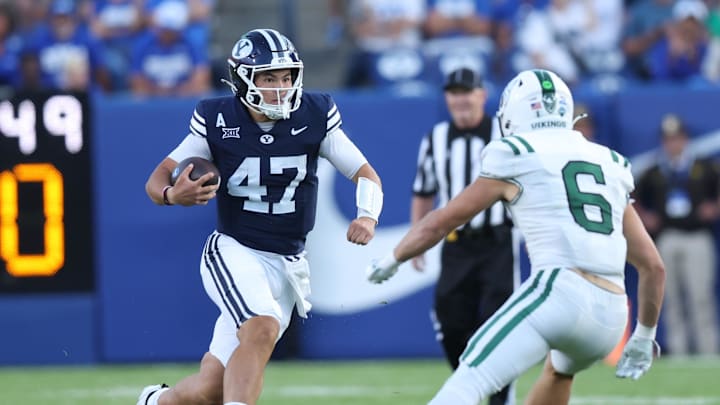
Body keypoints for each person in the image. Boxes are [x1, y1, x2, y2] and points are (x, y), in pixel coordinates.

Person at [367, 68, 666, 404]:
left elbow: (442, 221)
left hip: (559, 292)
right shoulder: (611, 162)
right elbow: (653, 266)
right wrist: (643, 336)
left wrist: (394, 258)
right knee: (558, 373)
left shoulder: (515, 153)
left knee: (469, 380)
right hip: (611, 317)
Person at [138, 28, 384, 405]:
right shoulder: (216, 118)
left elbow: (365, 173)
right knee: (261, 327)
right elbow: (156, 180)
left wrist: (367, 216)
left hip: (287, 264)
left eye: (286, 77)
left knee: (210, 389)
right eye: (268, 78)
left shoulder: (315, 113)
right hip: (236, 250)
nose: (280, 87)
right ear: (243, 79)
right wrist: (173, 194)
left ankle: (156, 401)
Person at [411, 67, 517, 405]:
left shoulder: (506, 133)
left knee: (497, 323)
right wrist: (418, 240)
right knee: (450, 321)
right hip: (456, 245)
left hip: (498, 241)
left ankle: (501, 398)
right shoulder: (435, 137)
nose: (460, 99)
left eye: (466, 91)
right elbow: (423, 191)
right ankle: (471, 384)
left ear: (482, 95)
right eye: (454, 93)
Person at [634, 113, 720, 355]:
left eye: (677, 138)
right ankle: (679, 351)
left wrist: (714, 208)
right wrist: (646, 217)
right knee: (670, 298)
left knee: (700, 296)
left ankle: (707, 350)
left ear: (685, 139)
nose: (673, 144)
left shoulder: (705, 167)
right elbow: (633, 199)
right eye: (669, 139)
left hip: (698, 236)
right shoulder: (654, 171)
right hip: (667, 237)